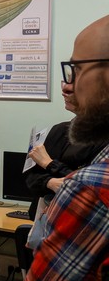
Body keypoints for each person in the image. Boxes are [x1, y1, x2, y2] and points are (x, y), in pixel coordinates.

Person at [13, 15, 109, 281]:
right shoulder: (57, 133)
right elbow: (32, 179)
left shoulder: (94, 187)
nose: (70, 85)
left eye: (76, 69)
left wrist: (52, 171)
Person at [22, 78, 103, 233]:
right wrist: (49, 182)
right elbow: (30, 178)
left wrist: (49, 164)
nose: (64, 91)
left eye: (75, 85)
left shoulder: (102, 140)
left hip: (83, 226)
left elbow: (89, 188)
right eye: (65, 82)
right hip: (46, 222)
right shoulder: (58, 131)